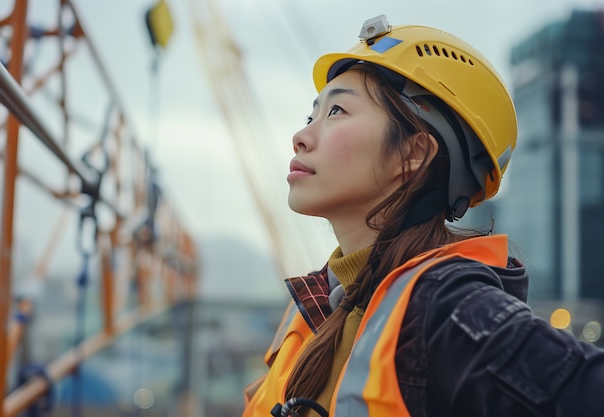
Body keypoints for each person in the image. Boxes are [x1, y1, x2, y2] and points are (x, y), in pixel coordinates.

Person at [242, 15, 604, 417]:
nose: (301, 135)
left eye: (338, 110)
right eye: (312, 116)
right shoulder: (317, 305)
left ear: (414, 154)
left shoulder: (450, 310)